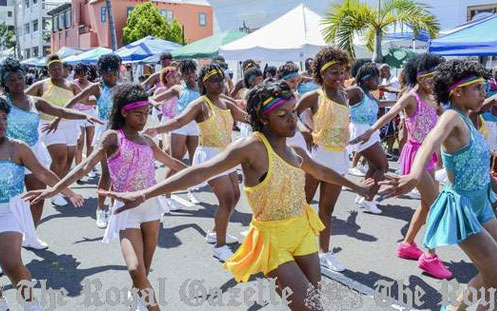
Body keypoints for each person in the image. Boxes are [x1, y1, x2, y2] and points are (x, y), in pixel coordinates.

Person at [97, 80, 370, 310]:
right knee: (309, 307)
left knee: (315, 302)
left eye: (292, 112)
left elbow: (322, 171)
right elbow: (199, 172)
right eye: (282, 115)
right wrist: (145, 193)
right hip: (273, 239)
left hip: (302, 231)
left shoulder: (295, 151)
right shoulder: (251, 148)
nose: (291, 120)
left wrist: (359, 187)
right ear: (264, 118)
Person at [24, 84, 186, 311]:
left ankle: (138, 296)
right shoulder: (113, 138)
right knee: (134, 268)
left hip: (151, 207)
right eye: (138, 114)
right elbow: (83, 168)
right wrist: (55, 189)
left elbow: (174, 165)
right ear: (124, 112)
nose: (143, 119)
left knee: (144, 270)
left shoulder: (147, 141)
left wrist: (209, 171)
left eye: (146, 114)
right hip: (125, 208)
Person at [381, 59, 497, 311]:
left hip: (482, 206)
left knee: (490, 275)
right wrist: (413, 175)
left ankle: (456, 308)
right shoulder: (452, 117)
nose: (482, 93)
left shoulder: (467, 117)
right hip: (463, 210)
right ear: (458, 91)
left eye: (482, 87)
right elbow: (429, 142)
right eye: (476, 87)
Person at [0, 96, 83, 311]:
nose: (2, 122)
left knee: (11, 264)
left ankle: (30, 302)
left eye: (4, 117)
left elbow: (42, 172)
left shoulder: (17, 148)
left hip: (10, 210)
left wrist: (68, 192)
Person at [351, 54, 452, 279]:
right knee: (437, 206)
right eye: (432, 75)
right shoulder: (411, 96)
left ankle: (407, 245)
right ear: (420, 74)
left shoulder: (434, 97)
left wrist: (442, 157)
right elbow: (390, 114)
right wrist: (370, 130)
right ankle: (429, 256)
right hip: (415, 155)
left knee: (428, 205)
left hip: (430, 157)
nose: (436, 79)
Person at [146, 64, 248, 262]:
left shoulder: (225, 102)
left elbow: (245, 117)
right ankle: (220, 246)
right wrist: (156, 130)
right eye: (214, 80)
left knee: (235, 195)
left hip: (228, 154)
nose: (220, 83)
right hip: (211, 156)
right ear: (205, 83)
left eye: (222, 79)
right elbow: (178, 122)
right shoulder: (201, 104)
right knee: (226, 199)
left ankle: (215, 232)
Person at [294, 46, 359, 272]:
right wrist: (304, 130)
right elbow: (291, 114)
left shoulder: (345, 94)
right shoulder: (313, 96)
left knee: (327, 209)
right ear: (321, 74)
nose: (339, 77)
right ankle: (293, 246)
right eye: (333, 72)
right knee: (302, 204)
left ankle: (324, 253)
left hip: (338, 158)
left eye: (342, 72)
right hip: (317, 157)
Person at [62, 54, 123, 228]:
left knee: (119, 174)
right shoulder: (97, 88)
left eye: (114, 74)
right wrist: (58, 118)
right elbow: (73, 100)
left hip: (121, 132)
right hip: (104, 132)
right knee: (107, 174)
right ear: (101, 73)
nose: (111, 78)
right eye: (107, 74)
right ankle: (100, 210)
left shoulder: (122, 87)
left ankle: (114, 209)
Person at [26, 55, 84, 206]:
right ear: (48, 70)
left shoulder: (71, 85)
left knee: (68, 160)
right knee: (60, 157)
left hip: (70, 125)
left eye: (59, 68)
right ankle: (53, 192)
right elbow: (24, 98)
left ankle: (60, 188)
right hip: (49, 124)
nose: (57, 71)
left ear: (64, 69)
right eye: (53, 68)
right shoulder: (41, 85)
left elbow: (85, 97)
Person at [148, 60, 202, 207]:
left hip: (195, 127)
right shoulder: (178, 88)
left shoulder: (202, 88)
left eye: (192, 72)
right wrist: (154, 104)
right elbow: (152, 98)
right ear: (181, 75)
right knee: (174, 162)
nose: (190, 75)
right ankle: (166, 196)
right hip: (180, 127)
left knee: (194, 162)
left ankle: (192, 191)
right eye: (186, 73)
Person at [346, 62, 398, 214]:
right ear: (367, 79)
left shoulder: (368, 94)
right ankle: (369, 200)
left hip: (369, 132)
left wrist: (401, 102)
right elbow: (340, 94)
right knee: (383, 167)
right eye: (376, 79)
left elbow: (382, 104)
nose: (379, 82)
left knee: (374, 167)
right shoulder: (357, 91)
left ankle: (362, 194)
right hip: (361, 133)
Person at [72, 63, 98, 175]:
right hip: (77, 114)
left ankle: (89, 167)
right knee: (79, 142)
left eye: (83, 75)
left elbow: (97, 100)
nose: (81, 77)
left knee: (90, 143)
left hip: (91, 113)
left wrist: (87, 101)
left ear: (87, 74)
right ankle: (78, 169)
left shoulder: (92, 85)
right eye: (78, 75)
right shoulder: (73, 85)